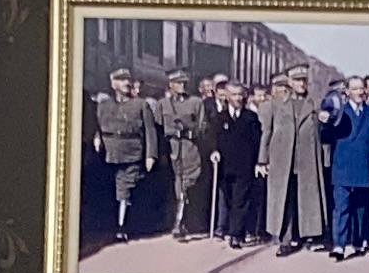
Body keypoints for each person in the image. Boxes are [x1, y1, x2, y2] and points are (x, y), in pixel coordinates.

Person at [89, 66, 159, 243]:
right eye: (121, 80)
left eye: (128, 79)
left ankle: (122, 227)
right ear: (113, 84)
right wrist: (96, 137)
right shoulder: (104, 105)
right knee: (107, 190)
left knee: (125, 188)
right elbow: (96, 125)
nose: (127, 83)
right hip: (107, 153)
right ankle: (107, 225)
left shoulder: (140, 105)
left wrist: (151, 155)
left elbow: (150, 131)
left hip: (131, 152)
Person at [323, 76, 369, 258]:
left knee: (361, 208)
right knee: (341, 208)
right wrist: (325, 122)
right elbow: (325, 136)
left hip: (363, 166)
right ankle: (339, 245)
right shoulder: (339, 113)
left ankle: (359, 241)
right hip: (342, 167)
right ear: (347, 92)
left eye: (361, 88)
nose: (359, 92)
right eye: (355, 89)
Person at [256, 67, 320, 254]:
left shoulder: (313, 104)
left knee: (305, 199)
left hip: (306, 161)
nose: (301, 84)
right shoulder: (276, 105)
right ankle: (285, 239)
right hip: (282, 162)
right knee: (285, 200)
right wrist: (262, 159)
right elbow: (267, 132)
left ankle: (306, 235)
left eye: (304, 80)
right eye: (297, 80)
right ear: (290, 82)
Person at [209, 75, 265, 244]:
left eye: (240, 94)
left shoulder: (250, 118)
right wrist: (214, 151)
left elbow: (257, 141)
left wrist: (258, 162)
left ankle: (236, 235)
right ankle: (230, 229)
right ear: (227, 96)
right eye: (234, 95)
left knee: (240, 200)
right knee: (228, 198)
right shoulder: (219, 118)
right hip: (225, 167)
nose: (238, 98)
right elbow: (213, 138)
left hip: (244, 167)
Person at [156, 68, 209, 239]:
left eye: (184, 82)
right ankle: (174, 221)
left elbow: (202, 127)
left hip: (189, 149)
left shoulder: (196, 103)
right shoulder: (162, 104)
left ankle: (180, 222)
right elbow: (157, 128)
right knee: (173, 187)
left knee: (186, 186)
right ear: (170, 84)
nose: (182, 86)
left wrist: (191, 131)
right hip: (170, 149)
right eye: (178, 83)